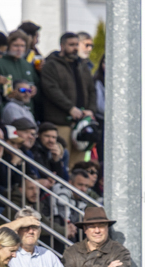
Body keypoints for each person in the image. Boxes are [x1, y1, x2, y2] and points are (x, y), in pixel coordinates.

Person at [39, 32, 97, 170]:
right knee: (62, 160)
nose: (75, 48)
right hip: (61, 121)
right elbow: (51, 90)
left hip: (82, 123)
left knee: (79, 165)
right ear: (62, 46)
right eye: (71, 45)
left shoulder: (82, 65)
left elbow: (91, 89)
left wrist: (90, 110)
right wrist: (70, 108)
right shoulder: (51, 65)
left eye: (77, 44)